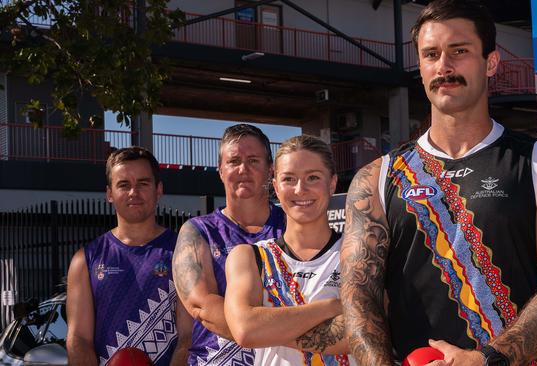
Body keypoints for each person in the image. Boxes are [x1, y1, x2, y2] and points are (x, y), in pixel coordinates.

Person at [340, 1, 537, 365]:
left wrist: (487, 359)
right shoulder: (377, 176)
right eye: (431, 54)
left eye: (459, 51)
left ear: (491, 62)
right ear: (421, 67)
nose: (444, 66)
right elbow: (359, 297)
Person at [224, 135, 357, 366]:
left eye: (313, 177)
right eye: (289, 179)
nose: (300, 189)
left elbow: (359, 333)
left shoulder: (358, 254)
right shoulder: (248, 256)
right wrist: (332, 307)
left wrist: (270, 327)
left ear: (332, 183)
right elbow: (246, 330)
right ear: (275, 185)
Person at [66, 147, 192, 366]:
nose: (134, 192)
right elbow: (79, 340)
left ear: (158, 189)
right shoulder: (85, 260)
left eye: (143, 183)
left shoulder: (183, 253)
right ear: (109, 194)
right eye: (123, 185)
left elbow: (188, 337)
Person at [172, 124, 285, 366]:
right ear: (221, 170)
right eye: (234, 161)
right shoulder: (197, 231)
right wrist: (297, 335)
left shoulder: (292, 226)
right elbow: (203, 307)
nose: (243, 169)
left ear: (270, 170)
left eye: (254, 161)